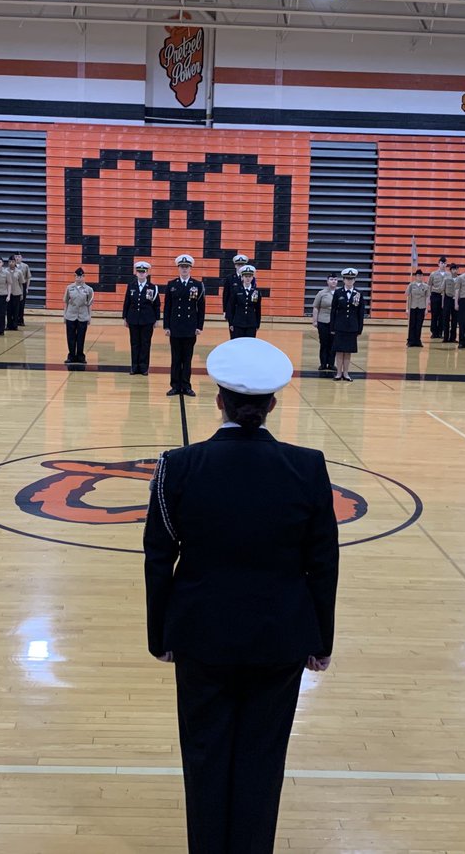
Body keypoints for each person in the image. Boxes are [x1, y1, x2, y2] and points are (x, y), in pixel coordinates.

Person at [143, 336, 338, 854]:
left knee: (205, 754)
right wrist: (322, 640)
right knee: (262, 758)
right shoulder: (308, 466)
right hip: (280, 638)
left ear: (218, 401)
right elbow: (322, 563)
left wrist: (158, 635)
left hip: (200, 635)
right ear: (273, 404)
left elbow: (159, 556)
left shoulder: (177, 467)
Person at [164, 254, 206, 397]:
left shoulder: (197, 285)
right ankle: (175, 386)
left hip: (190, 327)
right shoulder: (172, 285)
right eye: (182, 267)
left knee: (187, 359)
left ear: (190, 268)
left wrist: (199, 326)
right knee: (175, 359)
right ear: (178, 268)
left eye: (186, 267)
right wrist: (166, 326)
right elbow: (168, 307)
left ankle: (186, 385)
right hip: (175, 327)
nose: (184, 269)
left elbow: (201, 307)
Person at [123, 260, 161, 375]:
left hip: (147, 320)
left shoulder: (153, 287)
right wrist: (125, 317)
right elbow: (127, 302)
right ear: (136, 273)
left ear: (147, 273)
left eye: (143, 272)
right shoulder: (131, 286)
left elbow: (157, 304)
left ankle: (144, 367)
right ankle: (134, 367)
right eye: (139, 271)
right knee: (134, 343)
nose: (141, 274)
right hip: (133, 319)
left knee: (145, 343)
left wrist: (157, 319)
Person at [330, 267, 365, 381]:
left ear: (354, 280)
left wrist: (359, 329)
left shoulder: (359, 293)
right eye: (347, 279)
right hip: (340, 326)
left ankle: (346, 373)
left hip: (352, 327)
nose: (349, 281)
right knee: (339, 351)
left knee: (348, 351)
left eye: (351, 279)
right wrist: (332, 327)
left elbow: (361, 312)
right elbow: (333, 311)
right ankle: (339, 373)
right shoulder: (338, 292)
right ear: (343, 280)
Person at [63, 267, 95, 363]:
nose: (79, 278)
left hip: (83, 316)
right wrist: (64, 315)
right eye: (77, 276)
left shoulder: (89, 289)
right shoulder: (69, 288)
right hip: (71, 315)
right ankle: (71, 356)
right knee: (71, 337)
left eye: (81, 276)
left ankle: (80, 356)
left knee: (81, 337)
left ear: (84, 277)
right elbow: (66, 302)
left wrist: (89, 316)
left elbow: (89, 304)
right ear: (75, 277)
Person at [226, 264, 262, 339]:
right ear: (242, 277)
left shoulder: (256, 292)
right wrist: (231, 323)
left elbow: (258, 309)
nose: (248, 279)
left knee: (249, 345)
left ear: (252, 278)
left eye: (250, 276)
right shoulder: (236, 290)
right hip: (238, 323)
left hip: (251, 324)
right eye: (246, 276)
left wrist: (257, 324)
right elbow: (231, 307)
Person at [310, 274, 338, 367]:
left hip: (335, 322)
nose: (333, 281)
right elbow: (316, 307)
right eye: (331, 279)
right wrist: (315, 321)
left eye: (335, 279)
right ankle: (323, 363)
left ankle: (331, 364)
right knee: (324, 343)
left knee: (333, 344)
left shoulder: (340, 293)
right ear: (327, 281)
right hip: (323, 321)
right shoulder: (321, 293)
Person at [222, 254, 249, 339]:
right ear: (235, 265)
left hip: (245, 311)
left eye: (242, 264)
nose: (240, 267)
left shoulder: (250, 278)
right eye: (238, 264)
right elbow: (226, 295)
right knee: (234, 336)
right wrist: (225, 310)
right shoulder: (230, 278)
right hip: (233, 311)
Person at [405, 269, 428, 348]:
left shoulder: (425, 286)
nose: (419, 277)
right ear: (415, 276)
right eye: (418, 275)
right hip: (413, 306)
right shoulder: (411, 285)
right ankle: (410, 341)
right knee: (412, 324)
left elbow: (427, 297)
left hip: (421, 307)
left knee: (419, 324)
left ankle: (418, 340)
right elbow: (407, 297)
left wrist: (426, 308)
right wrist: (407, 309)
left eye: (421, 275)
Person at [428, 256, 448, 339]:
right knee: (434, 314)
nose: (443, 265)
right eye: (441, 263)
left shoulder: (448, 274)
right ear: (438, 264)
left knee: (443, 315)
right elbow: (429, 285)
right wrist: (428, 298)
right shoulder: (433, 274)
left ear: (446, 264)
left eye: (444, 263)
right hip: (435, 295)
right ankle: (434, 332)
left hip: (445, 296)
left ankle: (440, 332)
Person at [13, 253, 32, 328]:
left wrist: (27, 288)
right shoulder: (12, 266)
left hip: (22, 285)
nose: (17, 258)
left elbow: (28, 277)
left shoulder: (25, 266)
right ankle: (14, 319)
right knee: (14, 304)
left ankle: (21, 320)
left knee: (22, 304)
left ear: (21, 258)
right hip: (14, 285)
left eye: (19, 257)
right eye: (16, 257)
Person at [441, 263, 458, 344]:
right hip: (447, 299)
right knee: (445, 319)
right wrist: (442, 303)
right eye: (453, 269)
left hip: (456, 300)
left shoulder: (460, 279)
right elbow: (443, 291)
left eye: (456, 269)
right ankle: (445, 337)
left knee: (454, 320)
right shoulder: (446, 279)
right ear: (450, 270)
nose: (455, 271)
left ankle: (453, 337)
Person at [6, 258, 24, 330]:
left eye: (13, 262)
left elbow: (21, 284)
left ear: (15, 262)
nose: (11, 263)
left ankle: (15, 325)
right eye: (10, 261)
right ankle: (8, 325)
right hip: (8, 293)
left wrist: (22, 294)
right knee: (8, 310)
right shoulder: (5, 271)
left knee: (16, 310)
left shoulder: (19, 272)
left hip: (17, 293)